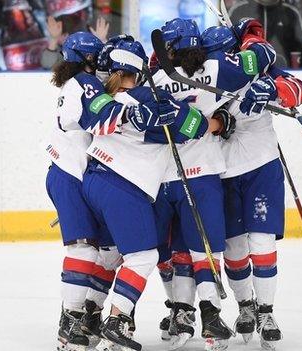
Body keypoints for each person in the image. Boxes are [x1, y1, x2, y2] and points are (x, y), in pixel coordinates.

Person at [150, 18, 278, 350]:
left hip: (162, 178)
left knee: (167, 251)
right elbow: (263, 55)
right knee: (205, 250)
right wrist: (219, 121)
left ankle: (179, 311)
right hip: (205, 174)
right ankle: (208, 313)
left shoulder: (155, 79)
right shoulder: (216, 69)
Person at [81, 39, 213, 351]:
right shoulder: (151, 96)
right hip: (124, 186)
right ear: (138, 70)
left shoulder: (101, 97)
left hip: (93, 182)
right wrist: (174, 113)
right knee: (143, 256)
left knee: (112, 253)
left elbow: (92, 119)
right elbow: (197, 126)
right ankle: (116, 319)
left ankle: (86, 314)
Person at [212, 19, 302, 350]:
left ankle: (266, 311)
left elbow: (299, 88)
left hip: (262, 167)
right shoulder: (208, 73)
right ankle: (245, 307)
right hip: (223, 171)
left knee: (263, 242)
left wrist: (274, 89)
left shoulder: (258, 63)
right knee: (235, 248)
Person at [45, 31, 114, 351]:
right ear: (88, 61)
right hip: (69, 177)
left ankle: (90, 310)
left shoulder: (76, 83)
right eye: (97, 58)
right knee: (84, 250)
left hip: (79, 177)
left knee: (111, 250)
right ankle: (70, 319)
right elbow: (86, 121)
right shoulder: (83, 84)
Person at [228, 0, 302, 67]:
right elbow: (226, 43)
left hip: (281, 73)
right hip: (246, 72)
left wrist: (298, 70)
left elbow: (300, 48)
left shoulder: (290, 13)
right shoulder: (239, 11)